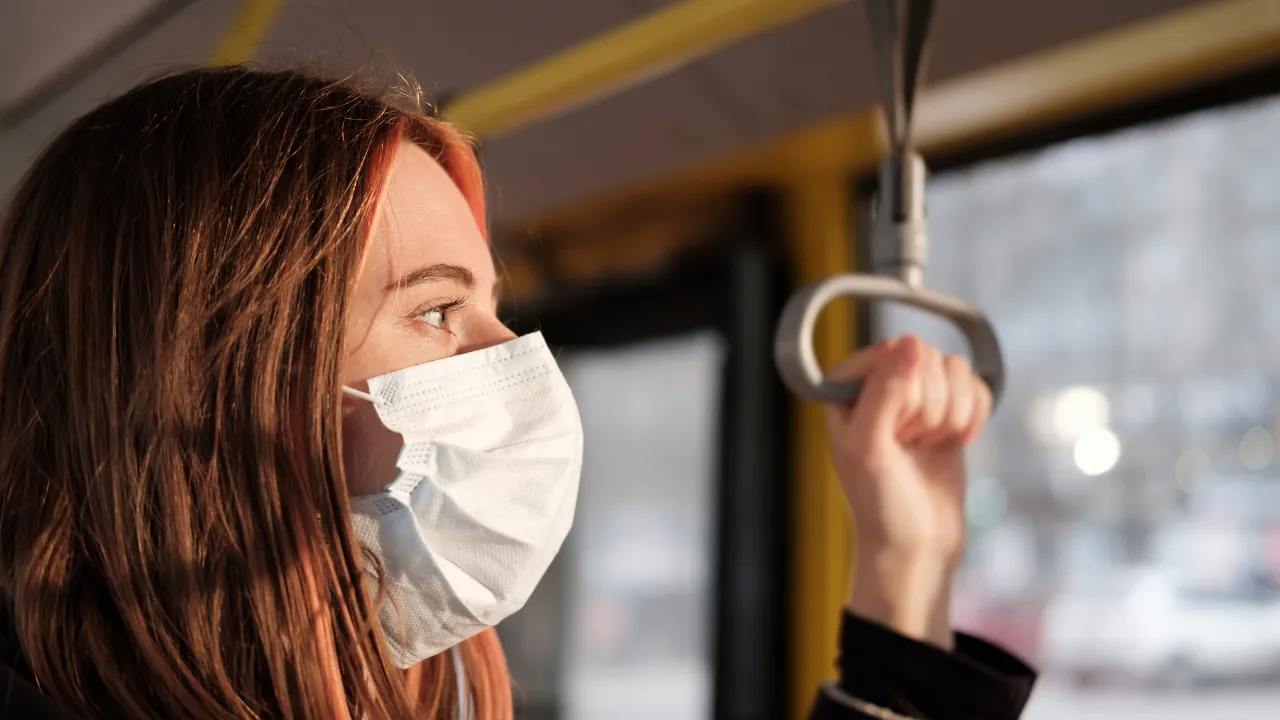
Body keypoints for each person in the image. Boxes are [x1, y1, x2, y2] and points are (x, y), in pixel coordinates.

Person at [0, 67, 1034, 719]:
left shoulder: (410, 689)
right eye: (439, 311)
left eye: (497, 303)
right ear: (214, 379)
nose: (516, 356)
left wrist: (906, 560)